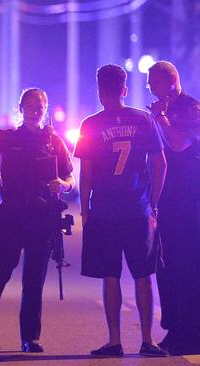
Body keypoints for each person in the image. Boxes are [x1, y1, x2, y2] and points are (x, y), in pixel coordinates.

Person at [74, 64, 168, 357]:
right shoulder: (144, 120)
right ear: (124, 90)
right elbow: (160, 164)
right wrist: (152, 203)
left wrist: (85, 209)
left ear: (101, 92)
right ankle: (148, 340)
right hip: (138, 210)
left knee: (110, 276)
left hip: (103, 210)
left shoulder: (90, 125)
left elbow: (85, 172)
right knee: (143, 275)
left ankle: (114, 341)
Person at [0, 88, 75, 353]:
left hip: (41, 219)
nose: (35, 108)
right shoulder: (11, 138)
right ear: (21, 108)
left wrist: (61, 185)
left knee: (33, 281)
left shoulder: (55, 142)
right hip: (11, 217)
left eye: (40, 104)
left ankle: (30, 338)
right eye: (30, 104)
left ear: (46, 108)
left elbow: (70, 178)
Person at [147, 61, 200, 356]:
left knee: (187, 266)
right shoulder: (160, 112)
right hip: (166, 198)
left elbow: (179, 144)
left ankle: (191, 331)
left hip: (189, 200)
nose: (152, 90)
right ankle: (175, 328)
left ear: (170, 82)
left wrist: (162, 119)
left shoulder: (191, 109)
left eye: (153, 84)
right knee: (165, 267)